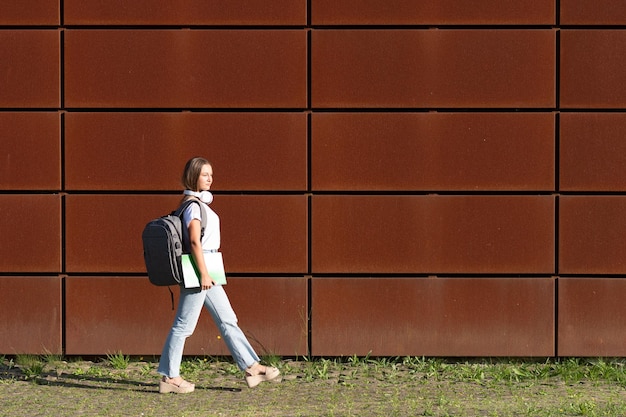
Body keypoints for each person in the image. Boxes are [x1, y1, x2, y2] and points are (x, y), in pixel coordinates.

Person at [158, 156, 280, 394]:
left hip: (209, 264)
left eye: (211, 174)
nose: (210, 178)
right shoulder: (192, 205)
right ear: (194, 176)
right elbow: (194, 241)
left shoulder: (199, 204)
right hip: (200, 266)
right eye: (205, 174)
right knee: (184, 326)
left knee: (227, 319)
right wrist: (203, 273)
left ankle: (251, 367)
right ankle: (169, 377)